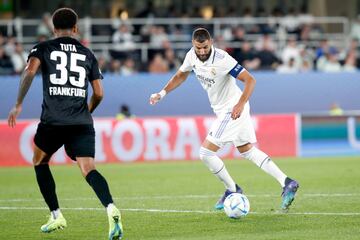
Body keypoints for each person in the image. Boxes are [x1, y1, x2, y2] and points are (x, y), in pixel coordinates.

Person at [149, 28, 299, 211]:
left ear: (210, 42)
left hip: (233, 108)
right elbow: (180, 75)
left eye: (205, 47)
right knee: (247, 150)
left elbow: (250, 80)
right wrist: (162, 93)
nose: (202, 51)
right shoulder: (191, 56)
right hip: (225, 110)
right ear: (193, 45)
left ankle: (233, 189)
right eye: (198, 48)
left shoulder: (222, 59)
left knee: (205, 153)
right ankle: (287, 182)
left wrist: (240, 104)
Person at [7, 8, 123, 239]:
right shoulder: (88, 54)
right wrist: (86, 111)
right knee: (88, 169)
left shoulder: (43, 48)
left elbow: (30, 72)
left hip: (53, 121)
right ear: (76, 28)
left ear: (53, 28)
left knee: (39, 161)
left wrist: (18, 103)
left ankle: (56, 214)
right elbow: (99, 93)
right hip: (81, 121)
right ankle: (111, 208)